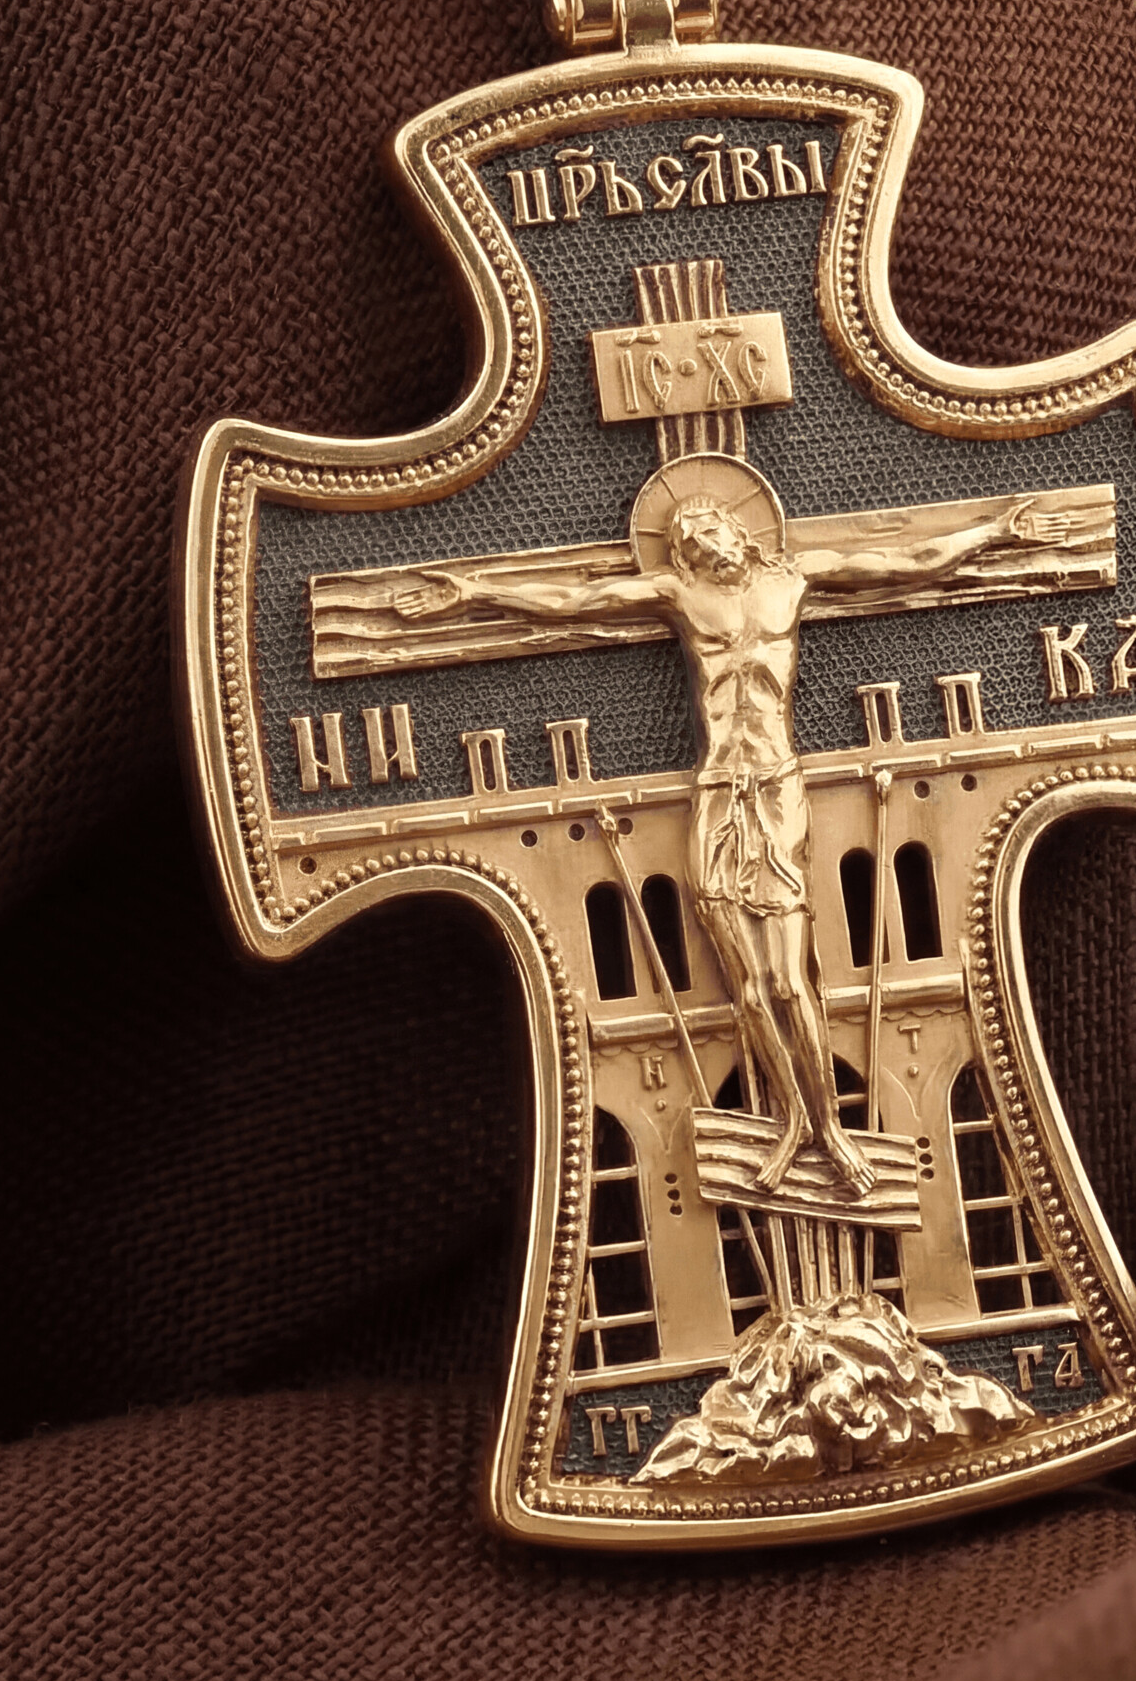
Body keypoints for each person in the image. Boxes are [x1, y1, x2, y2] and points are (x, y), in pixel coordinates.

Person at [397, 464, 1063, 1199]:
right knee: (747, 988)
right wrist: (475, 591)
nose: (698, 542)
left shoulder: (792, 577)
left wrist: (995, 530)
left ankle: (829, 1130)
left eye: (706, 528)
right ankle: (793, 1125)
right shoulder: (680, 595)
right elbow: (574, 601)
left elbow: (906, 561)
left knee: (789, 981)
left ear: (739, 530)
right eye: (685, 540)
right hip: (716, 792)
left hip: (775, 790)